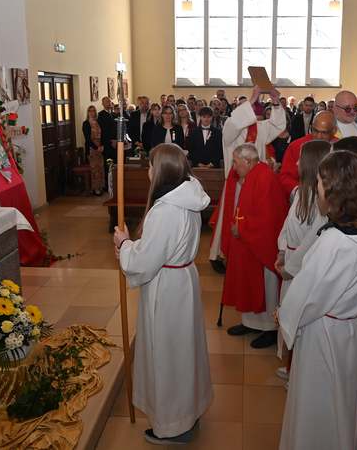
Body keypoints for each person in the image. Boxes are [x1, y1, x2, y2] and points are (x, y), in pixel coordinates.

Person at [275, 150, 357, 450]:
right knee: (344, 401)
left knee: (320, 407)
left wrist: (285, 313)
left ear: (333, 187)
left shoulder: (335, 241)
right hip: (350, 332)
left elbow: (311, 295)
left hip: (324, 336)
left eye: (318, 180)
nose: (315, 186)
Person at [113, 144, 214, 445]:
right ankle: (187, 412)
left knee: (167, 355)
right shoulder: (187, 195)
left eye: (150, 165)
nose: (147, 171)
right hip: (182, 279)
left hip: (167, 287)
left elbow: (146, 260)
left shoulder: (167, 209)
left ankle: (172, 426)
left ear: (162, 171)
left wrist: (125, 245)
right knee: (184, 351)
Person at [208, 85, 285, 273]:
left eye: (253, 109)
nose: (251, 114)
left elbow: (278, 126)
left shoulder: (261, 128)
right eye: (247, 109)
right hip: (236, 182)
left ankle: (248, 253)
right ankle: (219, 254)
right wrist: (252, 99)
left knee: (251, 220)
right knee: (231, 219)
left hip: (256, 183)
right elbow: (234, 123)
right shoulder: (231, 128)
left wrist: (275, 103)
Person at [275, 140, 331, 383]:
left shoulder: (320, 200)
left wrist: (290, 267)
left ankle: (297, 375)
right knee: (289, 314)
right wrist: (280, 250)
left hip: (302, 265)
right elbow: (288, 224)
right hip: (290, 258)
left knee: (298, 319)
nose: (296, 163)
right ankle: (291, 368)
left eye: (301, 159)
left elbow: (311, 240)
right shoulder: (300, 192)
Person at [222, 144, 288, 348]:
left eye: (236, 162)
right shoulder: (253, 175)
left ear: (248, 161)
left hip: (262, 244)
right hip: (248, 241)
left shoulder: (266, 178)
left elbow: (266, 217)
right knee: (248, 282)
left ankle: (268, 328)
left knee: (265, 285)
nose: (234, 168)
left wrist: (241, 228)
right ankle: (251, 323)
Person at [279, 111, 338, 204]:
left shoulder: (340, 148)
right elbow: (285, 177)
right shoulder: (296, 146)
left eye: (324, 132)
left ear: (334, 130)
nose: (318, 136)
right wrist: (302, 193)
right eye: (315, 130)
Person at [97, 96, 120, 189]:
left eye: (110, 101)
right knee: (108, 164)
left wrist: (117, 140)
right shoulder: (101, 115)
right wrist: (111, 141)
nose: (109, 103)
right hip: (107, 143)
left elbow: (119, 128)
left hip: (117, 142)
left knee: (117, 163)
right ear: (103, 104)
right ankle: (108, 185)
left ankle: (117, 182)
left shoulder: (115, 115)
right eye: (107, 102)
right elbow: (103, 131)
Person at [82, 105, 105, 195]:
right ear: (88, 113)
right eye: (90, 111)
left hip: (100, 147)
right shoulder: (86, 123)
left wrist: (102, 146)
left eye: (93, 111)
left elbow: (102, 135)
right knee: (94, 169)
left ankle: (101, 186)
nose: (92, 112)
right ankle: (96, 189)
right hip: (92, 148)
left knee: (101, 168)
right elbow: (87, 138)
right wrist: (96, 148)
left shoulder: (98, 122)